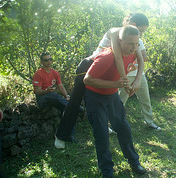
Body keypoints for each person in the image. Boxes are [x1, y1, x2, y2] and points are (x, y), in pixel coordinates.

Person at [55, 13, 148, 148]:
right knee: (75, 101)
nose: (141, 34)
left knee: (108, 100)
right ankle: (61, 136)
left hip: (110, 70)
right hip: (89, 67)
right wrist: (125, 82)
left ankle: (104, 127)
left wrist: (138, 80)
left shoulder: (133, 38)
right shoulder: (116, 32)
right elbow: (117, 57)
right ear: (133, 25)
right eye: (141, 30)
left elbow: (140, 58)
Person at [83, 25, 146, 177]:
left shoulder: (133, 52)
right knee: (102, 134)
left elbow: (141, 61)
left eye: (136, 43)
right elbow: (88, 80)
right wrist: (115, 84)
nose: (134, 47)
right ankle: (107, 170)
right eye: (130, 43)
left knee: (123, 127)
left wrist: (136, 81)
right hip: (95, 98)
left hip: (112, 96)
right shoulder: (106, 57)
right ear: (119, 41)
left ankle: (133, 161)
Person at [33, 52, 77, 141]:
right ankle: (75, 106)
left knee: (68, 109)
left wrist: (66, 95)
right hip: (43, 99)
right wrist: (46, 91)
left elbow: (60, 86)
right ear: (41, 62)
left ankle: (69, 135)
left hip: (53, 98)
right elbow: (37, 91)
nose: (48, 62)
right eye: (46, 60)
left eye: (50, 59)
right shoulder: (38, 74)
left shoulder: (55, 73)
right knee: (52, 94)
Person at [118, 39, 161, 131]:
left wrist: (135, 63)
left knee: (145, 99)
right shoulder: (122, 40)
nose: (141, 32)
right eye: (141, 29)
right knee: (120, 102)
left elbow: (144, 57)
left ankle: (149, 122)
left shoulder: (139, 41)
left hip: (140, 75)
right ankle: (116, 124)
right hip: (126, 76)